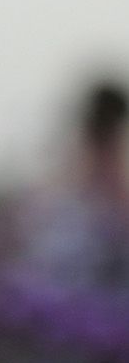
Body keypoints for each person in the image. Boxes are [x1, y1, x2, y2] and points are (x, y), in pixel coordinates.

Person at [22, 78, 129, 289]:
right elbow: (110, 195)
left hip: (63, 235)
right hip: (83, 237)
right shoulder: (97, 148)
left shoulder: (76, 143)